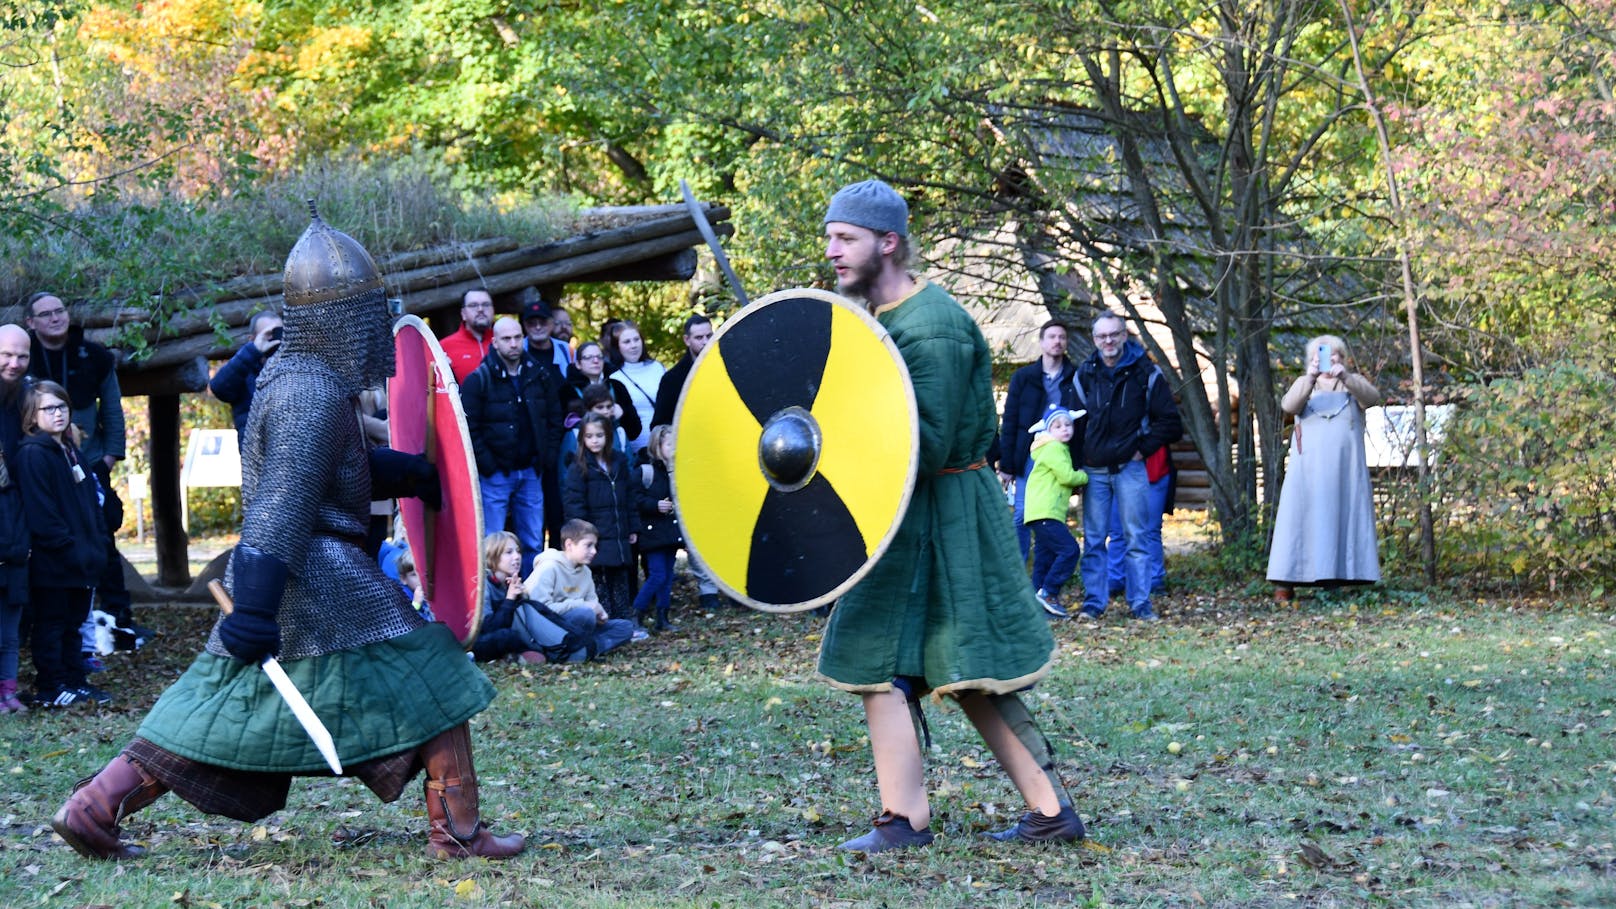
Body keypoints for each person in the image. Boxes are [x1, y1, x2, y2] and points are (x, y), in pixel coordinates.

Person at [50, 210, 524, 862]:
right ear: (340, 316)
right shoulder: (310, 390)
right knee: (432, 672)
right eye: (364, 310)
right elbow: (282, 503)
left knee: (224, 700)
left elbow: (330, 472)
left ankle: (93, 806)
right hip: (312, 572)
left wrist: (412, 472)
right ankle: (459, 832)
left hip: (296, 569)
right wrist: (254, 605)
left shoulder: (298, 377)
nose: (373, 325)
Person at [817, 179, 1083, 852]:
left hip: (939, 511)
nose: (833, 251)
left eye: (845, 238)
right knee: (960, 671)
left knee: (882, 655)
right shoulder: (883, 320)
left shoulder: (929, 325)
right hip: (911, 516)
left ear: (889, 242)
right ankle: (1048, 809)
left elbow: (922, 443)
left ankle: (906, 822)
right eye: (830, 237)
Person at [25, 292, 134, 640]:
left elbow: (113, 408)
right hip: (43, 464)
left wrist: (110, 455)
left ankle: (117, 613)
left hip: (88, 460)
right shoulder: (23, 360)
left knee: (102, 532)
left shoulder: (95, 357)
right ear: (31, 322)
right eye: (46, 314)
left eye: (60, 311)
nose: (55, 318)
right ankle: (46, 626)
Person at [1073, 312, 1182, 623]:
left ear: (1124, 336)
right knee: (1093, 539)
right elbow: (1075, 425)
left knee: (1137, 536)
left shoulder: (1146, 373)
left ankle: (1140, 603)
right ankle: (1094, 602)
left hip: (1130, 469)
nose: (1108, 341)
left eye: (1114, 334)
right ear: (1094, 340)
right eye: (1101, 336)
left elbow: (1170, 424)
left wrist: (1142, 449)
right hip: (1094, 471)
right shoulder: (1085, 374)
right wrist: (1077, 466)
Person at [15, 381, 110, 708]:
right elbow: (44, 516)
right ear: (32, 415)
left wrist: (96, 546)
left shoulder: (71, 450)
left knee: (73, 625)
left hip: (84, 560)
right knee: (52, 625)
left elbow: (91, 506)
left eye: (62, 407)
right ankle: (51, 686)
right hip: (54, 563)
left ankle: (75, 681)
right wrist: (71, 549)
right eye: (49, 408)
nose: (57, 414)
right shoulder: (32, 454)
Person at [1266, 334, 1381, 598]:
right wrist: (1310, 377)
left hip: (1345, 473)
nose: (1329, 361)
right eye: (1321, 356)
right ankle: (1289, 580)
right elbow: (1289, 405)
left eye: (1334, 355)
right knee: (1301, 520)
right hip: (1308, 473)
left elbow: (1372, 398)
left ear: (1342, 358)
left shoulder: (1352, 385)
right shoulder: (1304, 385)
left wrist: (1346, 378)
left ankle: (1340, 578)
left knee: (1341, 519)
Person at [460, 316, 564, 575]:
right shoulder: (479, 379)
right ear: (494, 343)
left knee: (532, 541)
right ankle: (495, 603)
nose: (514, 343)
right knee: (493, 543)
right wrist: (489, 464)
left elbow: (554, 418)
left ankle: (530, 597)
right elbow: (468, 427)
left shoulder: (539, 375)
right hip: (495, 473)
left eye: (518, 337)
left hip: (531, 470)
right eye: (507, 339)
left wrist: (547, 457)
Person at [998, 320, 1081, 561]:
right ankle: (1018, 576)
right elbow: (1011, 420)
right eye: (1052, 336)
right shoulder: (1024, 377)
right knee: (1022, 514)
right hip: (1029, 454)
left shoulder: (1074, 376)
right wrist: (1006, 465)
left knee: (1052, 517)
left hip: (1060, 456)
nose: (1057, 341)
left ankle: (1043, 582)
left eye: (1062, 337)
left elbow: (1082, 420)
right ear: (1042, 341)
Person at [523, 519, 642, 655]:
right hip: (549, 628)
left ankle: (585, 649)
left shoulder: (585, 571)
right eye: (588, 545)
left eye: (595, 546)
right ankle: (565, 650)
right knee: (585, 614)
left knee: (625, 627)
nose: (594, 551)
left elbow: (592, 602)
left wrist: (600, 615)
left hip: (577, 626)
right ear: (569, 545)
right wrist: (585, 606)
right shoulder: (549, 567)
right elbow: (539, 610)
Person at [561, 412, 638, 621]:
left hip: (619, 532)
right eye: (589, 436)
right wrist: (584, 535)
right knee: (599, 581)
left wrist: (632, 527)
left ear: (608, 436)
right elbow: (574, 504)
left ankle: (624, 622)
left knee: (620, 578)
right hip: (595, 536)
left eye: (599, 435)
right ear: (582, 439)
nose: (594, 441)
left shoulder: (619, 462)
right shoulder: (578, 467)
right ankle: (605, 622)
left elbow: (629, 496)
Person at [1024, 406, 1087, 618]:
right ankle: (1049, 592)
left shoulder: (1049, 448)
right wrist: (1084, 476)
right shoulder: (1054, 448)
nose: (1065, 429)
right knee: (1069, 550)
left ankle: (1037, 605)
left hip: (1039, 513)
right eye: (1058, 426)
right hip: (1045, 512)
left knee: (1044, 556)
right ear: (1048, 430)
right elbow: (1067, 476)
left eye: (1068, 424)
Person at [473, 531, 557, 665]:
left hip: (507, 634)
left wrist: (521, 598)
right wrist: (510, 599)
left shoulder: (511, 582)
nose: (517, 557)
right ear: (492, 556)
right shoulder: (482, 584)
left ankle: (519, 654)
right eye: (509, 552)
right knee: (507, 636)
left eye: (518, 551)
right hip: (479, 641)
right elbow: (490, 628)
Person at [630, 425, 681, 632]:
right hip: (652, 532)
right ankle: (637, 612)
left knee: (668, 575)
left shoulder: (675, 471)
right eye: (669, 444)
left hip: (670, 531)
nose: (673, 448)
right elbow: (634, 498)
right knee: (658, 574)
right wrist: (654, 505)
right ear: (657, 445)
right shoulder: (645, 471)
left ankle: (663, 616)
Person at [208, 310, 284, 434]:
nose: (273, 338)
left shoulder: (292, 369)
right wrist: (253, 351)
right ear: (252, 338)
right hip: (254, 449)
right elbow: (219, 388)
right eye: (268, 334)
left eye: (278, 333)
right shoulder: (243, 372)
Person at [560, 341, 641, 443]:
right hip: (580, 452)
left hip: (616, 450)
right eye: (588, 357)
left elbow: (635, 431)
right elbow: (561, 430)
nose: (595, 361)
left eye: (599, 357)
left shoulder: (617, 387)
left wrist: (623, 415)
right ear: (578, 364)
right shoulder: (566, 391)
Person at [608, 320, 664, 456]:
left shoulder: (658, 368)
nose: (633, 345)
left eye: (636, 340)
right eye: (627, 342)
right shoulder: (614, 379)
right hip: (637, 451)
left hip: (664, 446)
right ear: (617, 347)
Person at [650, 313, 713, 428]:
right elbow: (660, 425)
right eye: (699, 337)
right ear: (687, 340)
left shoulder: (726, 367)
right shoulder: (672, 380)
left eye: (709, 336)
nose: (705, 342)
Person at [439, 288, 496, 383]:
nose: (480, 309)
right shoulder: (444, 347)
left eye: (486, 305)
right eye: (473, 305)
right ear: (463, 313)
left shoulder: (507, 340)